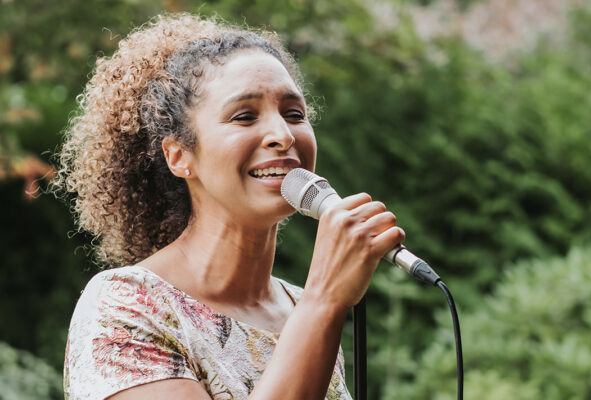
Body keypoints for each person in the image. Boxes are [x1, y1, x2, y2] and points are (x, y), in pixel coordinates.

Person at [56, 13, 404, 400]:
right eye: (244, 116)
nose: (282, 135)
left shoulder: (300, 308)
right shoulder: (125, 308)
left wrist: (319, 302)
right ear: (179, 156)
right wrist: (326, 299)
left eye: (294, 114)